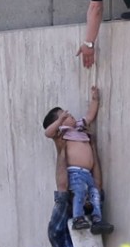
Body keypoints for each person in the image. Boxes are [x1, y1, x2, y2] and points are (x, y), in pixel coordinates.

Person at [47, 124, 107, 247]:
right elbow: (62, 189)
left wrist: (94, 148)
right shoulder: (62, 231)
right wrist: (61, 148)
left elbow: (97, 185)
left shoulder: (90, 227)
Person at [43, 86, 113, 235]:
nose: (70, 115)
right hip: (75, 173)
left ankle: (97, 220)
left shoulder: (80, 127)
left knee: (95, 194)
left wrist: (95, 99)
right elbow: (48, 133)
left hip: (87, 173)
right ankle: (77, 218)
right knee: (79, 193)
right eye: (64, 116)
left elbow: (90, 115)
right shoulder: (64, 133)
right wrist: (60, 121)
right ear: (60, 124)